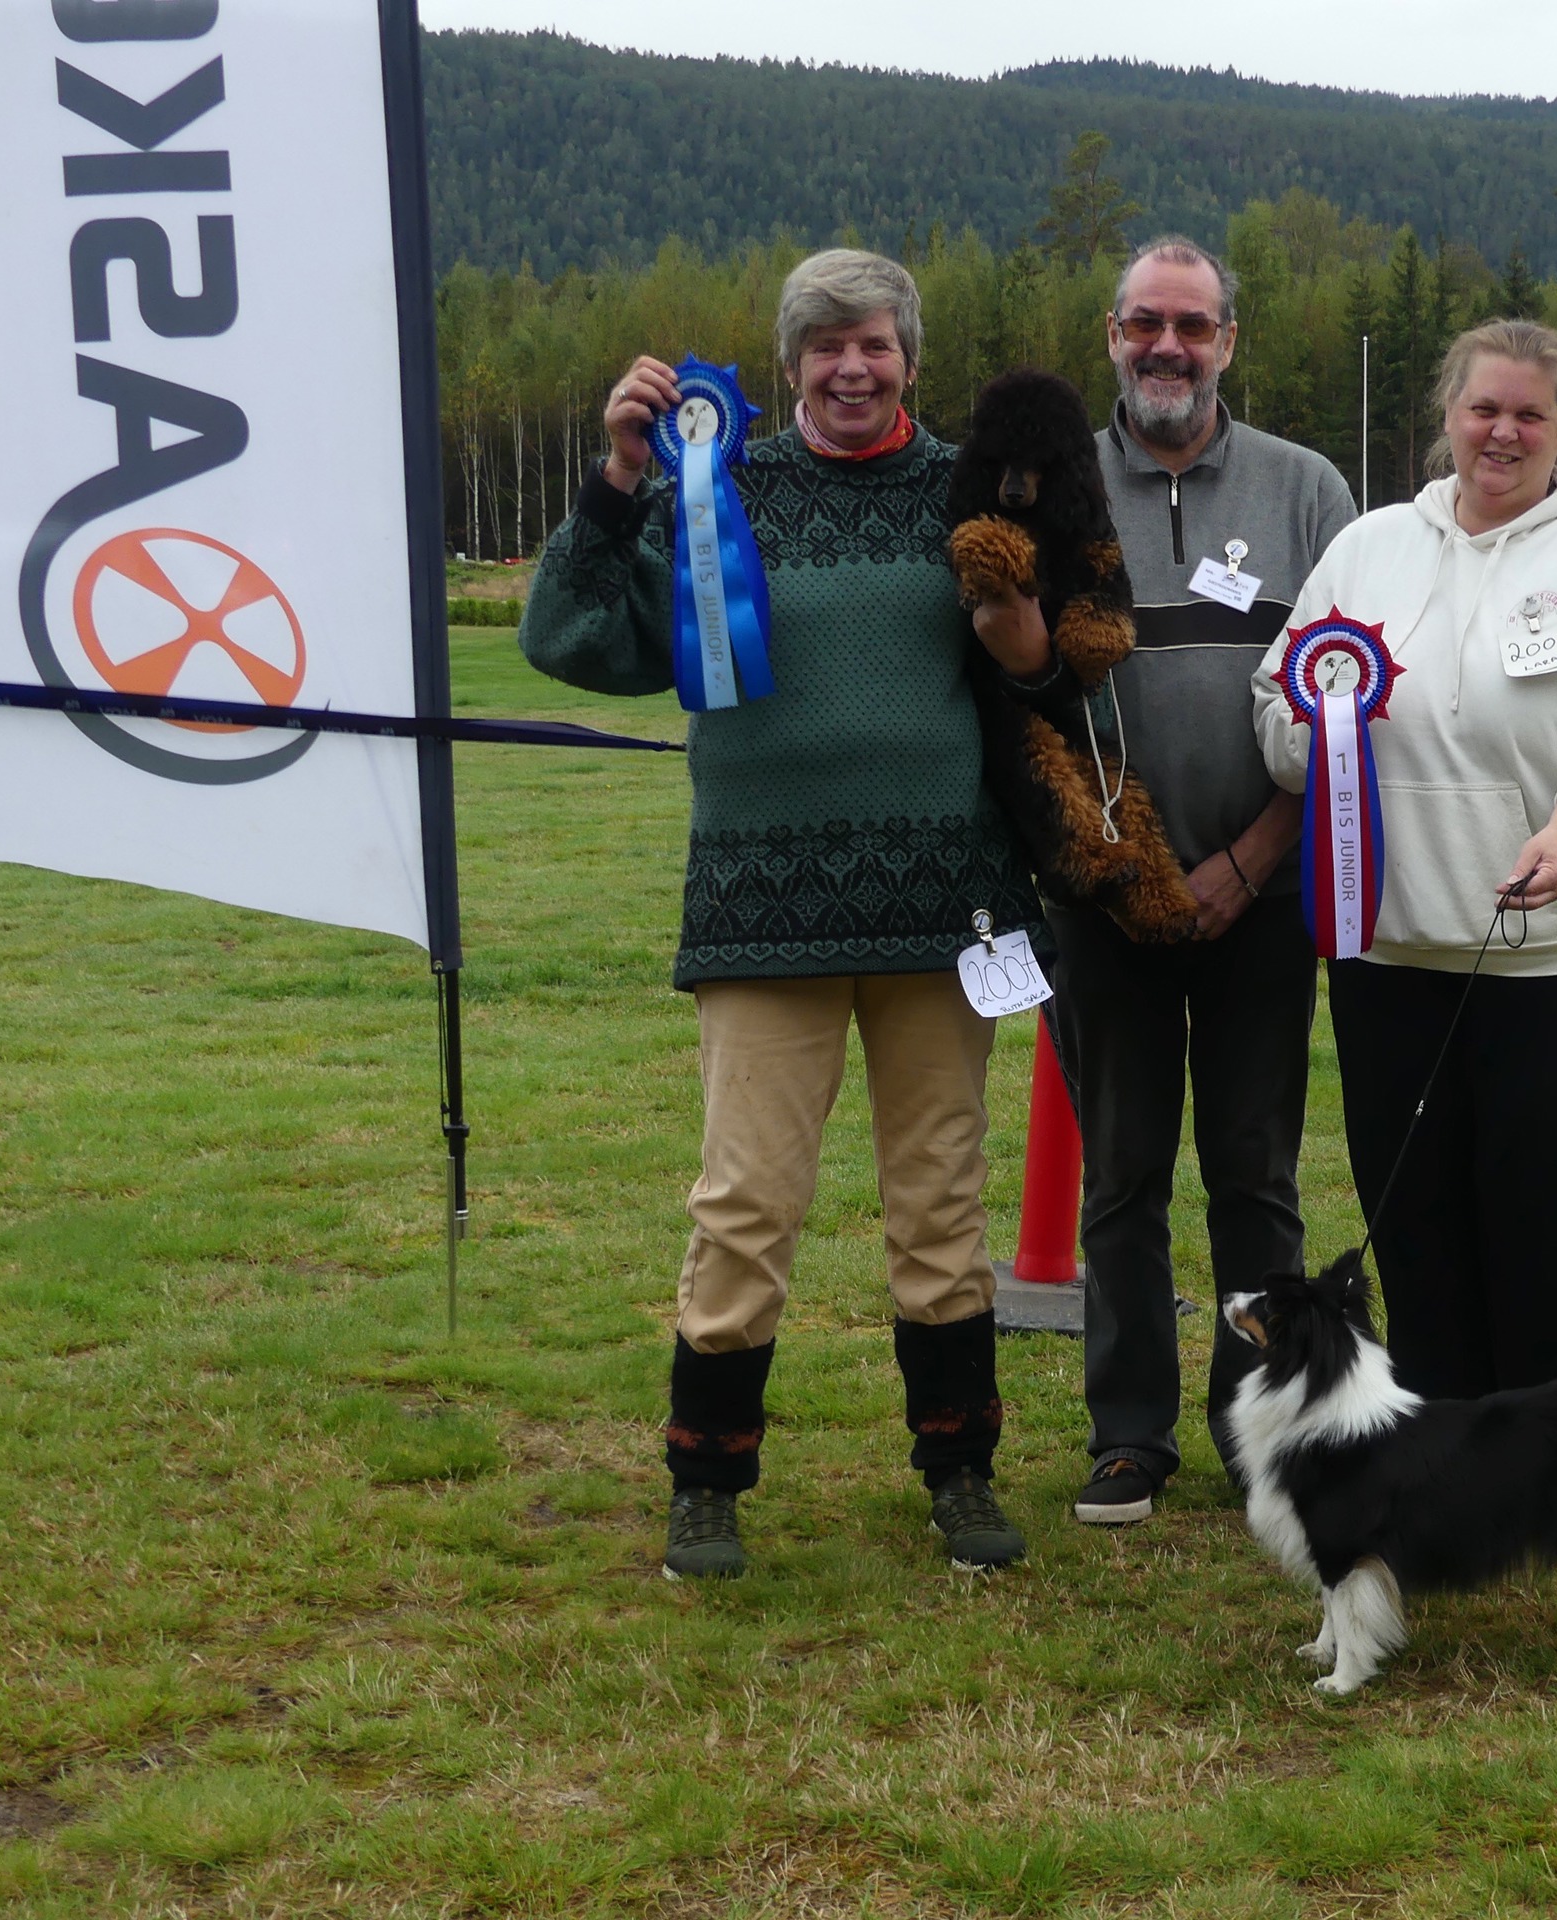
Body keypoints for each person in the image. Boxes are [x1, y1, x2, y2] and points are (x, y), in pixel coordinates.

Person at [517, 250, 1046, 1579]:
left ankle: (960, 1472)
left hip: (943, 910)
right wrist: (619, 473)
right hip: (761, 907)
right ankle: (706, 1483)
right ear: (789, 363)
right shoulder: (711, 484)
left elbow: (1043, 660)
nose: (851, 368)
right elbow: (568, 639)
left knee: (941, 1204)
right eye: (825, 347)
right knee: (745, 1203)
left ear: (910, 357)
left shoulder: (968, 492)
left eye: (873, 344)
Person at [970, 236, 1357, 1524]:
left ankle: (1262, 1435)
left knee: (1255, 1177)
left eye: (1192, 325)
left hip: (1262, 898)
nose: (1167, 348)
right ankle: (1128, 1435)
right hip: (1101, 903)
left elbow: (1352, 714)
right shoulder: (1048, 489)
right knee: (1121, 1177)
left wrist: (1249, 863)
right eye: (1145, 323)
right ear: (1111, 333)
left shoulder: (1308, 491)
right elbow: (1015, 685)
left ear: (1228, 341)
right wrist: (1109, 867)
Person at [1252, 319, 1557, 1400]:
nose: (1503, 432)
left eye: (1529, 414)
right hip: (1392, 953)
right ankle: (1445, 1456)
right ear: (1447, 416)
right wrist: (1316, 739)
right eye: (1483, 408)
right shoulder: (1370, 547)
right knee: (1416, 1234)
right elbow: (1278, 695)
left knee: (1554, 1236)